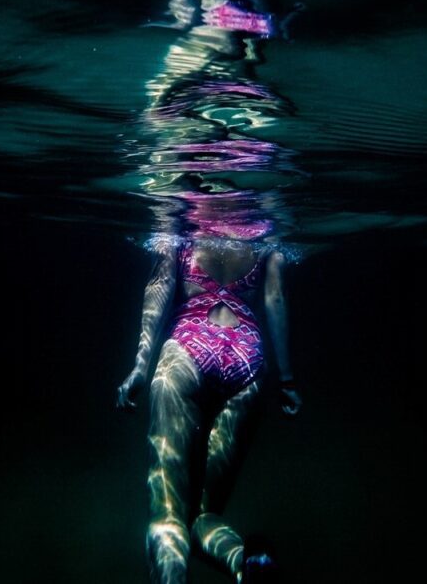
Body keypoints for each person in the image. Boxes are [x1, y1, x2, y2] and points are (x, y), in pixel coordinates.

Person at [116, 196, 302, 584]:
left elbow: (160, 285)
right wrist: (286, 379)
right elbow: (275, 298)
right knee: (205, 513)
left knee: (168, 513)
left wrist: (139, 367)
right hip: (248, 357)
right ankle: (243, 562)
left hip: (187, 347)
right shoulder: (264, 221)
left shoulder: (180, 213)